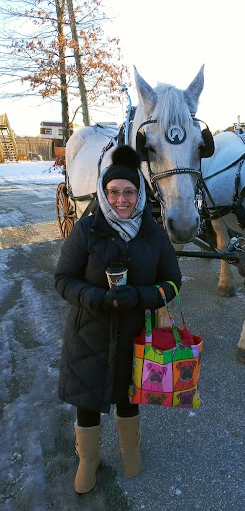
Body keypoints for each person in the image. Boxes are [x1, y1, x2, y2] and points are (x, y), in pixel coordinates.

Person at [54, 145, 182, 494]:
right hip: (88, 333)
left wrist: (141, 297)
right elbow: (63, 279)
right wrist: (97, 298)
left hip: (135, 333)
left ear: (139, 194)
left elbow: (172, 281)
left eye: (129, 192)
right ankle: (88, 460)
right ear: (103, 193)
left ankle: (130, 450)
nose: (121, 200)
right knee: (88, 398)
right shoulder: (87, 229)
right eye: (114, 192)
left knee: (129, 395)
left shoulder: (152, 233)